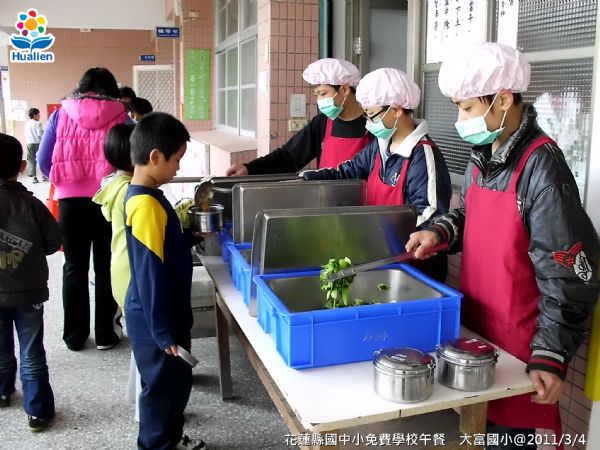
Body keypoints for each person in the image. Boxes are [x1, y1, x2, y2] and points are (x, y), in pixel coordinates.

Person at [406, 42, 600, 449]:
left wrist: (551, 353)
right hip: (480, 330)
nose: (461, 120)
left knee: (510, 440)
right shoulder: (484, 154)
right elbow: (471, 215)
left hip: (520, 344)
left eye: (467, 108)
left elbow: (567, 272)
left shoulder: (542, 167)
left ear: (504, 99)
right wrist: (440, 232)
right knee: (479, 432)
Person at [302, 68, 452, 282]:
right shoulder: (379, 146)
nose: (368, 122)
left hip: (415, 268)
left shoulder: (422, 156)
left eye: (371, 114)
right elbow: (349, 170)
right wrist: (307, 180)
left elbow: (431, 216)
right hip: (384, 258)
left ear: (396, 110)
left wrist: (376, 233)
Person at [125, 112, 206, 450]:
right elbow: (149, 272)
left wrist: (190, 237)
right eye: (176, 159)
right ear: (155, 156)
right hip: (154, 317)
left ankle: (171, 439)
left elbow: (164, 248)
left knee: (176, 383)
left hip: (167, 313)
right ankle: (155, 445)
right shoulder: (145, 205)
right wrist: (162, 332)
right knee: (160, 390)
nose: (177, 167)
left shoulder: (153, 197)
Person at [38, 67, 128, 351]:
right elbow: (128, 155)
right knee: (105, 266)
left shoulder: (60, 114)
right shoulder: (120, 114)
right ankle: (105, 335)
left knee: (74, 267)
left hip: (69, 203)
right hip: (107, 199)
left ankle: (74, 337)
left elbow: (43, 159)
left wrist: (63, 182)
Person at [0, 133, 62, 432]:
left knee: (0, 344)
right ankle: (37, 411)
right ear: (22, 166)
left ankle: (2, 391)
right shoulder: (32, 204)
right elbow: (53, 242)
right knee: (31, 349)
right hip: (29, 290)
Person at [226, 58, 373, 175]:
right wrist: (250, 169)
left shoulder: (374, 126)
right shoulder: (321, 123)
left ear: (345, 89)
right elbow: (288, 156)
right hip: (327, 199)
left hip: (363, 202)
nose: (319, 101)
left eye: (323, 93)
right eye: (316, 95)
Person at [24, 108, 45, 183]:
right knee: (40, 159)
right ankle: (43, 176)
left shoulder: (27, 123)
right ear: (34, 115)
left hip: (29, 143)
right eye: (38, 114)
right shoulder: (38, 123)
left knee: (31, 160)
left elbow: (25, 134)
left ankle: (34, 178)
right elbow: (40, 134)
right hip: (37, 143)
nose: (39, 116)